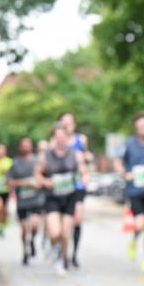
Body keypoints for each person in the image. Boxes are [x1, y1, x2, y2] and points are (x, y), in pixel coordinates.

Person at [37, 124, 89, 276]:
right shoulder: (45, 156)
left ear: (67, 138)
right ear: (53, 138)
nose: (60, 140)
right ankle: (54, 248)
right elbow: (37, 175)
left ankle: (62, 260)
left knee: (65, 234)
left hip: (69, 197)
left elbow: (83, 171)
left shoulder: (75, 155)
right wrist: (46, 182)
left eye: (63, 136)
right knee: (55, 233)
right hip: (52, 197)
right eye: (57, 137)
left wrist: (85, 178)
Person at [116, 113, 144, 274]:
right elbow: (118, 161)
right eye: (138, 126)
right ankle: (135, 241)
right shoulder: (129, 144)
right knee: (141, 224)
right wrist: (124, 172)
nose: (141, 129)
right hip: (134, 191)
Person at [58, 112, 91, 268]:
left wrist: (87, 161)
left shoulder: (81, 139)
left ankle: (74, 255)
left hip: (77, 185)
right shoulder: (55, 141)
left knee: (77, 219)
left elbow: (86, 157)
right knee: (63, 223)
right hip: (61, 186)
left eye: (69, 122)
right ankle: (62, 252)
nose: (67, 126)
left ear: (74, 124)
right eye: (64, 123)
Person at [7, 137, 45, 266]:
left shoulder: (37, 161)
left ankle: (32, 240)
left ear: (31, 146)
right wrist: (25, 183)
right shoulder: (15, 163)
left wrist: (38, 184)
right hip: (22, 201)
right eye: (23, 145)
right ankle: (25, 251)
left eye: (27, 145)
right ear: (19, 147)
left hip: (36, 199)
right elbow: (9, 182)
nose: (25, 147)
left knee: (34, 225)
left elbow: (44, 177)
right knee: (23, 230)